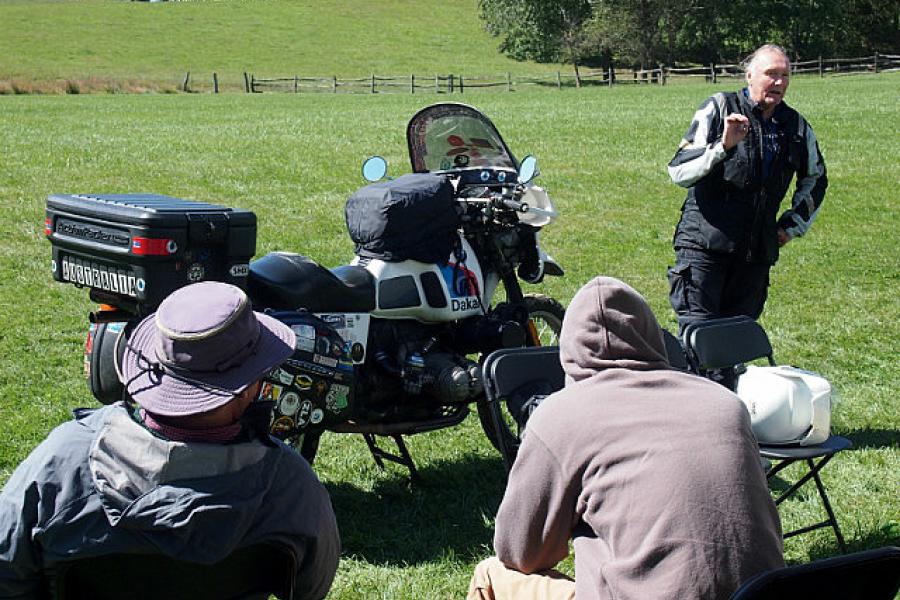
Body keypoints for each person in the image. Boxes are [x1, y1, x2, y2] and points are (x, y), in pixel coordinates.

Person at [0, 281, 340, 600]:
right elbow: (311, 587)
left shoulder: (61, 464)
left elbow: (7, 571)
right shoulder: (291, 488)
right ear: (248, 386)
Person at [468, 276, 783, 600]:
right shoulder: (725, 404)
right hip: (758, 594)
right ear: (651, 334)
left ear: (569, 351)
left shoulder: (561, 417)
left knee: (490, 574)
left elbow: (520, 552)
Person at [666, 44, 828, 332]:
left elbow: (816, 178)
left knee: (735, 344)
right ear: (749, 75)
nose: (779, 82)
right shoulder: (718, 108)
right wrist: (723, 146)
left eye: (785, 75)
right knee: (699, 342)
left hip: (755, 255)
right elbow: (678, 171)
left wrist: (792, 224)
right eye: (771, 74)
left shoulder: (797, 127)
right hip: (704, 248)